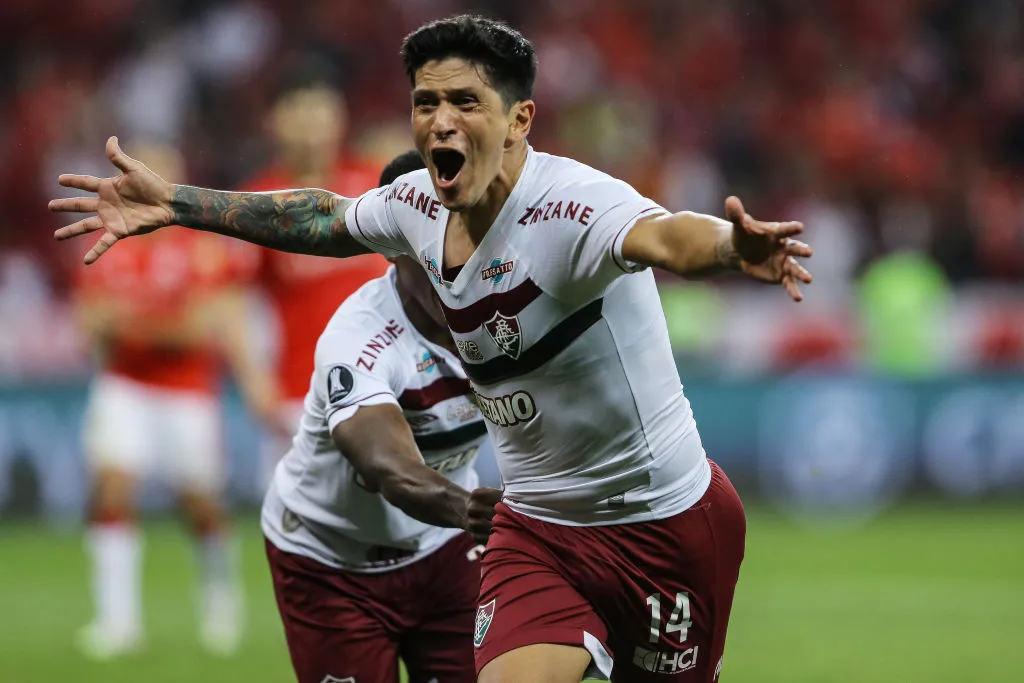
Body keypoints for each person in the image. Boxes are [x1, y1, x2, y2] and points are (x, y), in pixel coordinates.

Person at [51, 15, 813, 682]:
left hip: (662, 518)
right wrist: (180, 204)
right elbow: (320, 216)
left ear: (520, 120)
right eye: (426, 102)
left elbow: (666, 234)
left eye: (465, 102)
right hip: (537, 526)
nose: (440, 120)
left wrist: (728, 247)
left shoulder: (574, 207)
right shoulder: (418, 207)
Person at [263, 149, 499, 683]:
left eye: (469, 237)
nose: (457, 264)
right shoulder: (359, 340)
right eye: (434, 244)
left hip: (443, 551)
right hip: (330, 561)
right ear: (392, 247)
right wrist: (481, 514)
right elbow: (385, 466)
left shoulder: (507, 312)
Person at [70, 141, 279, 660]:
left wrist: (131, 321)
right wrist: (155, 322)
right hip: (123, 385)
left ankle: (220, 600)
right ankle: (117, 622)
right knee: (111, 490)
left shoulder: (199, 243)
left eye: (162, 170)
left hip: (187, 392)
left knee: (200, 506)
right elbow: (89, 322)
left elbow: (198, 328)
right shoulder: (109, 237)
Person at [236, 58, 388, 476]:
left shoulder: (378, 183)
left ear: (340, 117)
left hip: (387, 383)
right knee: (300, 532)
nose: (310, 123)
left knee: (399, 527)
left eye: (320, 109)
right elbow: (231, 297)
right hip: (299, 393)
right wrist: (253, 378)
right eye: (298, 111)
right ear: (275, 121)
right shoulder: (258, 201)